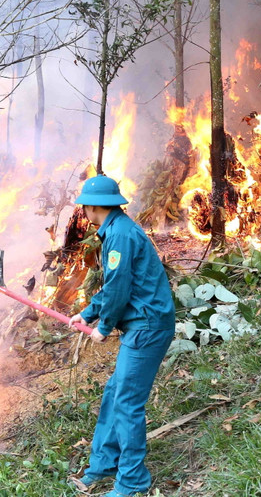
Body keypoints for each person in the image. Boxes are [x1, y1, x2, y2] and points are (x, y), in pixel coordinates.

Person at [68, 175, 175, 497]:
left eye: (84, 206)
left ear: (93, 206)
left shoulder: (121, 236)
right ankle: (102, 465)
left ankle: (132, 481)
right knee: (115, 394)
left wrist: (102, 327)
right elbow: (116, 283)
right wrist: (88, 313)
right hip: (143, 324)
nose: (83, 211)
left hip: (148, 326)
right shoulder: (117, 230)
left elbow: (118, 288)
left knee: (127, 403)